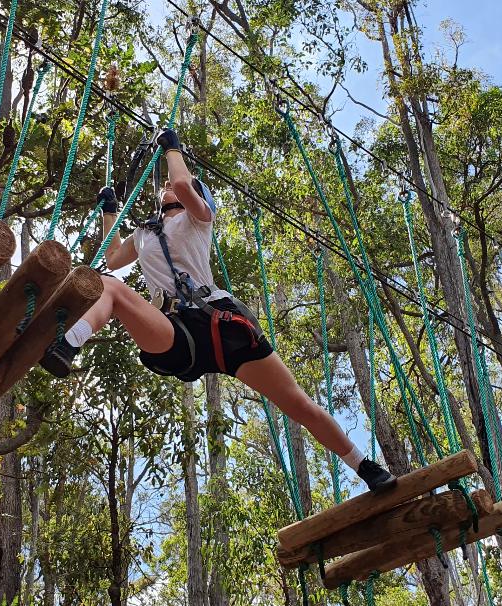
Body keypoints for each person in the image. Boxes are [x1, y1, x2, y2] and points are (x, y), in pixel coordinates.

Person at [40, 128, 397, 493]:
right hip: (176, 330)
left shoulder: (198, 217)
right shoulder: (146, 234)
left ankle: (363, 465)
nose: (169, 186)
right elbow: (114, 258)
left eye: (180, 184)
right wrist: (110, 211)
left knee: (298, 404)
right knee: (112, 288)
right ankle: (67, 345)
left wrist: (173, 149)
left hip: (219, 323)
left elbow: (181, 185)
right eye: (167, 186)